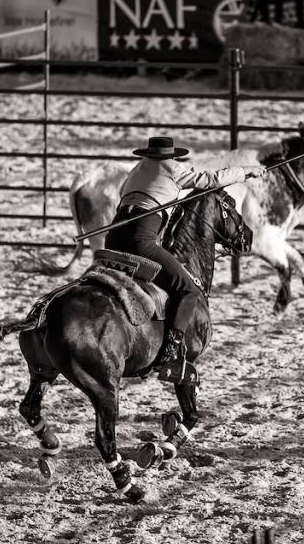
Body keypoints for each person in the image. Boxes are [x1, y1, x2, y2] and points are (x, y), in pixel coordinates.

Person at [104, 137, 265, 382]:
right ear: (171, 155)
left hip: (114, 237)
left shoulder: (138, 169)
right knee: (187, 289)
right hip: (141, 239)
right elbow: (211, 180)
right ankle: (172, 352)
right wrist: (246, 171)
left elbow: (122, 192)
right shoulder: (173, 168)